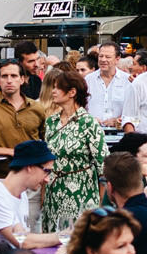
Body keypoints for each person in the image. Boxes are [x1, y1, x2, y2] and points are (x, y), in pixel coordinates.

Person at [37, 70, 105, 232]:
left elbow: (103, 167)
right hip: (53, 193)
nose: (53, 91)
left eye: (57, 88)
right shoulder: (51, 122)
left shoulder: (89, 123)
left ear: (72, 92)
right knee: (51, 241)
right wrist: (43, 194)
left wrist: (100, 203)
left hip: (81, 194)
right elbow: (46, 161)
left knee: (76, 240)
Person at [0, 140, 66, 251]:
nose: (47, 179)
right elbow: (23, 241)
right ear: (30, 167)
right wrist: (66, 236)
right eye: (47, 171)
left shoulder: (22, 195)